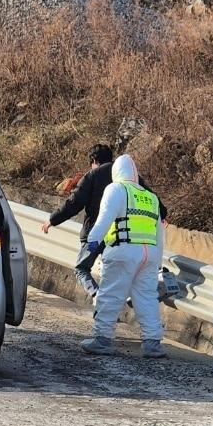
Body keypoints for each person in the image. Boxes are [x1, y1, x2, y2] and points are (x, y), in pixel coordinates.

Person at [81, 154, 167, 359]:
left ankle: (103, 340)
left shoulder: (115, 189)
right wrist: (158, 261)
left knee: (110, 295)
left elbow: (104, 219)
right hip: (149, 254)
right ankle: (152, 343)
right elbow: (159, 232)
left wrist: (92, 242)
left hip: (123, 251)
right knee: (147, 298)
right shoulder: (151, 197)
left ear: (116, 173)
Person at [41, 144, 144, 300]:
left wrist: (52, 219)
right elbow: (151, 196)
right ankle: (128, 294)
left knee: (81, 268)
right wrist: (162, 214)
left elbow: (74, 203)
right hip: (122, 233)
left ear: (94, 160)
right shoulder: (131, 177)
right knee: (116, 269)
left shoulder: (92, 175)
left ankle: (96, 295)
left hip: (96, 233)